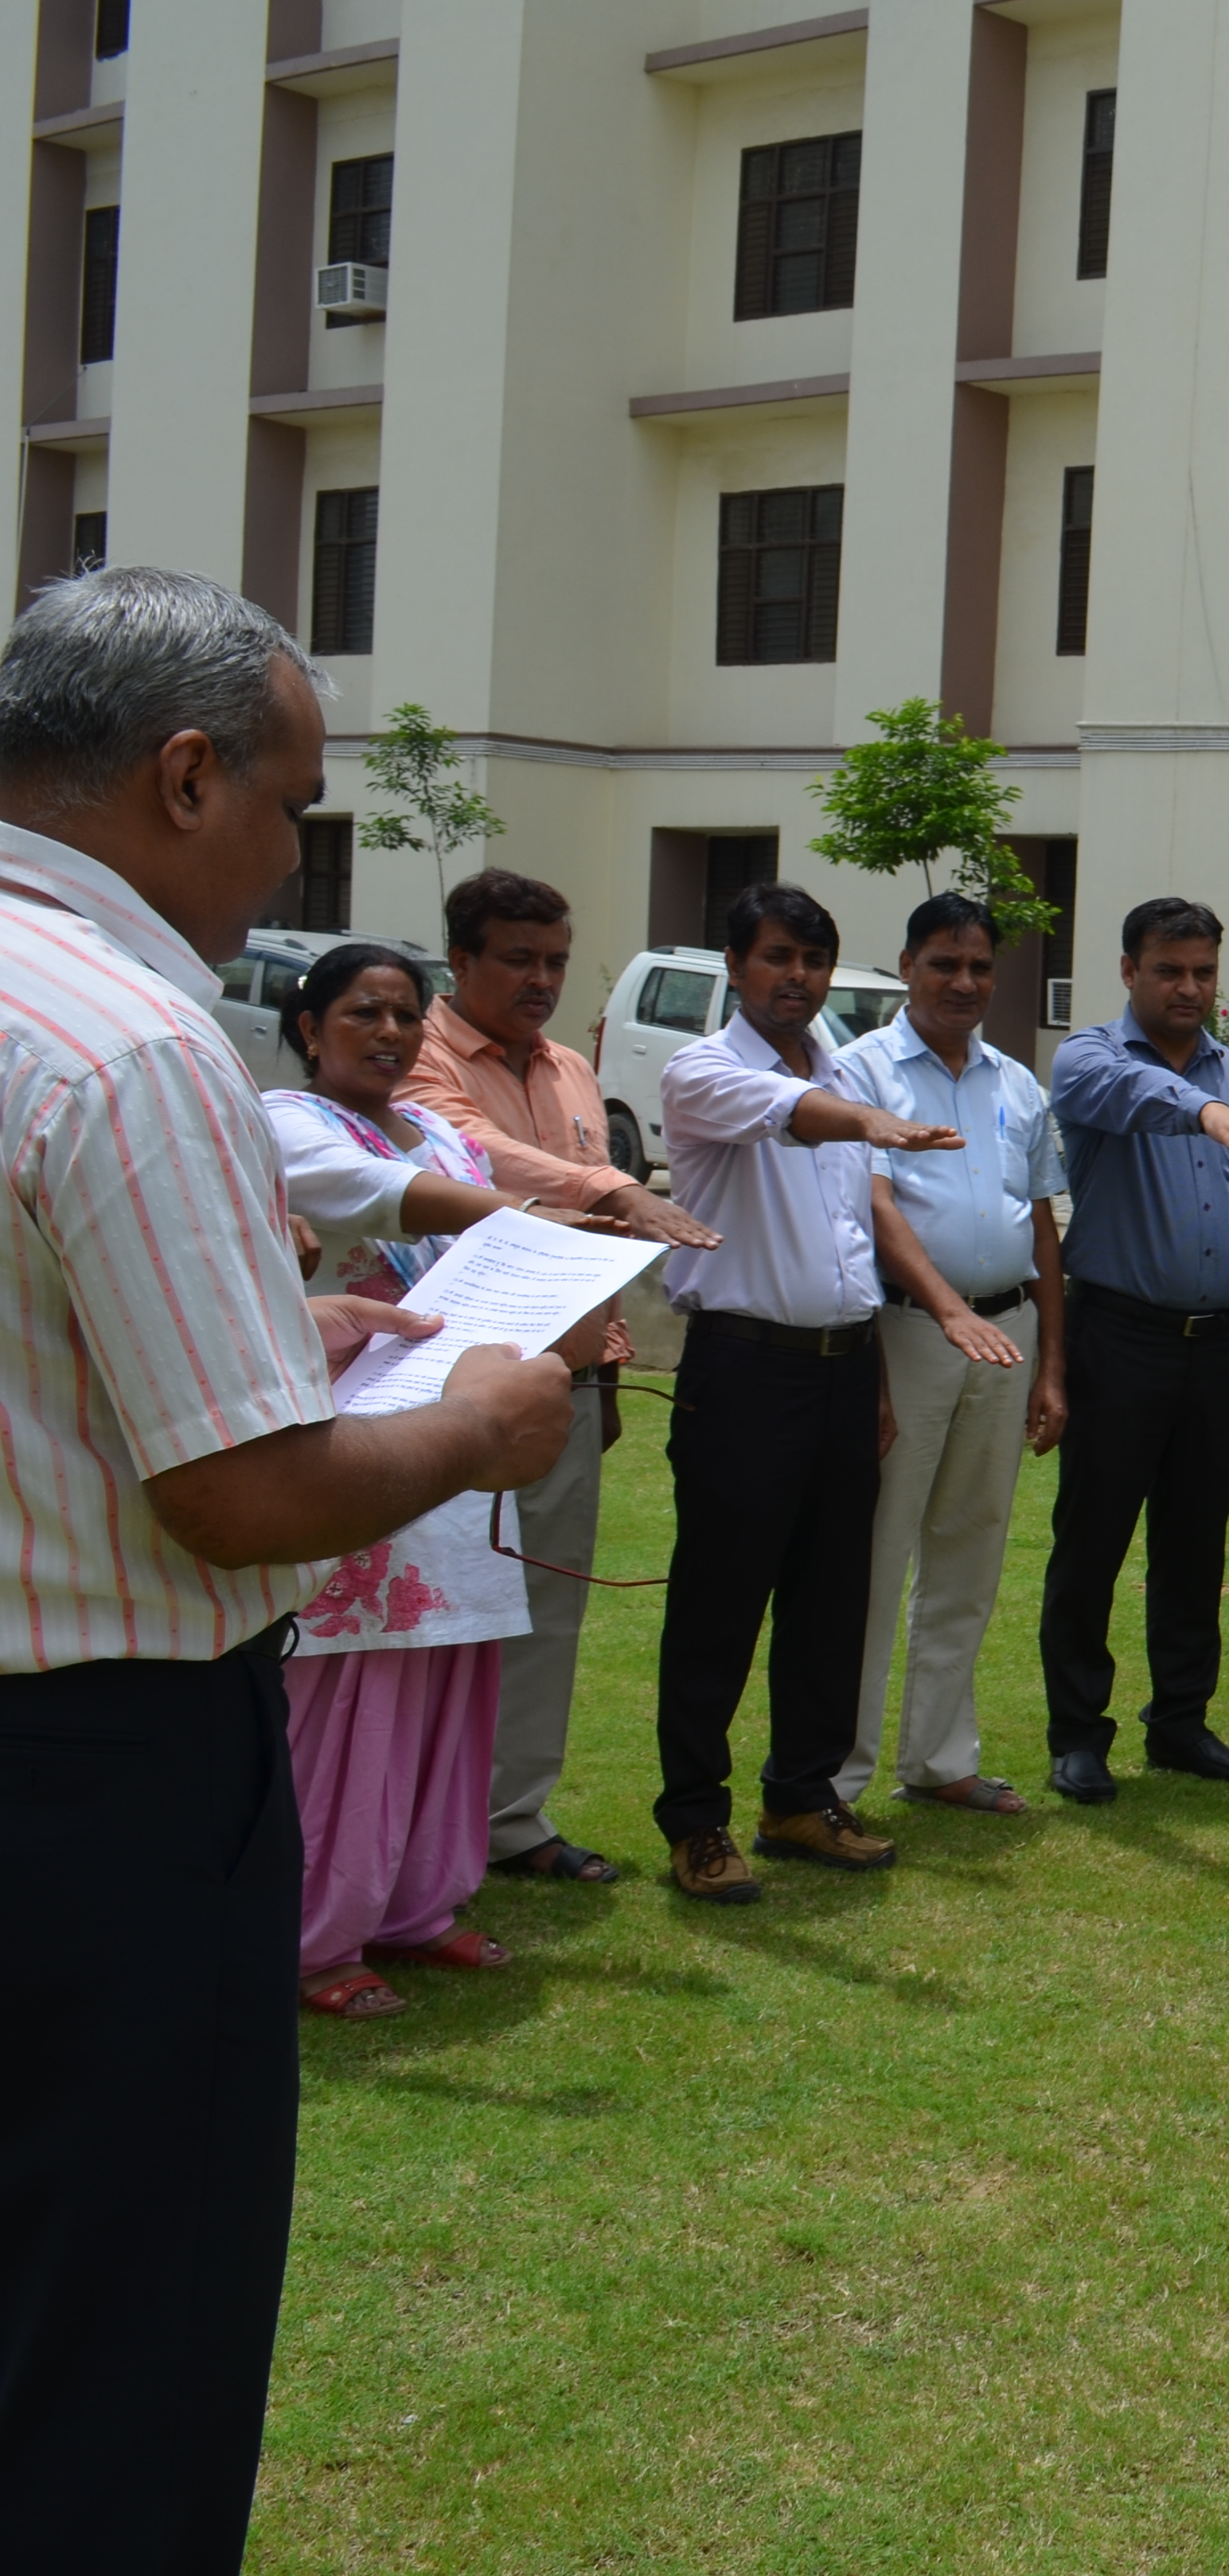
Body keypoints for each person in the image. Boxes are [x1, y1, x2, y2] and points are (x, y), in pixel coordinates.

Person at [0, 566, 575, 2570]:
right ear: (184, 776)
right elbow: (238, 1495)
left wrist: (280, 1335)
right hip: (101, 1780)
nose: (288, 863)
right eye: (290, 807)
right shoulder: (132, 1039)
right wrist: (477, 1425)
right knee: (118, 2342)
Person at [260, 945, 569, 2016]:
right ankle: (316, 1937)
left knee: (450, 1676)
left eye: (405, 1016)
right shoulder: (286, 1123)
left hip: (460, 1439)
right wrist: (543, 1219)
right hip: (355, 1438)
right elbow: (380, 1199)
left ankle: (420, 1905)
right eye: (364, 1014)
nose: (389, 1034)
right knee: (353, 1699)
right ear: (311, 1028)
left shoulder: (442, 1136)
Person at [649, 885, 966, 1902]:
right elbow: (795, 1120)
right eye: (778, 956)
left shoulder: (834, 1066)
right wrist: (873, 1120)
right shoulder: (705, 1072)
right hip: (744, 1368)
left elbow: (848, 1243)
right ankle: (695, 1820)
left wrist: (871, 1377)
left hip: (841, 1365)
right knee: (720, 1599)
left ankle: (800, 1796)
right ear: (736, 966)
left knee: (832, 1596)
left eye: (814, 960)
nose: (798, 977)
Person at [412, 865, 724, 1888]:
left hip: (573, 1384)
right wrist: (615, 1186)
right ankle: (421, 1827)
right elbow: (473, 1159)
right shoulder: (419, 1056)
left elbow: (596, 1251)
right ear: (461, 961)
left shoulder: (570, 1067)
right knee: (446, 1608)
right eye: (518, 959)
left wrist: (610, 1367)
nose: (541, 980)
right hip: (461, 1387)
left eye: (555, 961)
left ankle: (512, 1820)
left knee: (549, 1607)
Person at [1040, 899, 1229, 1801]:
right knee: (1093, 1543)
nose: (1189, 988)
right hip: (1119, 1337)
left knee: (1193, 1546)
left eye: (1202, 972)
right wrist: (1205, 1113)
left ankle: (1181, 1724)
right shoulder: (1089, 1059)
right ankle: (1078, 1734)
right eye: (1168, 970)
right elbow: (1128, 1098)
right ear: (1128, 972)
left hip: (1220, 1344)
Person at [829, 896, 1069, 1819]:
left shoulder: (1016, 1083)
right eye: (943, 964)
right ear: (906, 966)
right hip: (907, 1335)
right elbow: (875, 1207)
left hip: (1008, 1335)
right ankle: (836, 1776)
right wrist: (944, 1314)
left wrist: (1051, 1364)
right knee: (874, 1557)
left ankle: (938, 1759)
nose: (962, 983)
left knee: (970, 1551)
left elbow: (1039, 1224)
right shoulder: (861, 1071)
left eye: (978, 967)